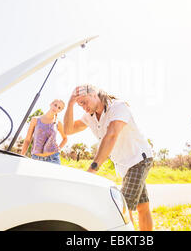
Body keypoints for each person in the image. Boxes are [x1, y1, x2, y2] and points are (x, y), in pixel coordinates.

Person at [63, 84, 154, 231]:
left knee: (121, 207)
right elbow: (68, 130)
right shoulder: (89, 117)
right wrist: (70, 104)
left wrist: (93, 168)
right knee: (142, 206)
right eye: (80, 105)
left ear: (94, 95)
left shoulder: (118, 107)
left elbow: (111, 135)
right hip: (125, 164)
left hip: (139, 159)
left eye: (84, 102)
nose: (84, 107)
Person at [21, 99, 67, 165]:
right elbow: (28, 140)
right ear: (51, 104)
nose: (56, 108)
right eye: (55, 105)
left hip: (53, 159)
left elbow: (65, 138)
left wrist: (59, 148)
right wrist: (22, 155)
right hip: (36, 159)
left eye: (59, 108)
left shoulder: (58, 123)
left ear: (60, 111)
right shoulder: (35, 119)